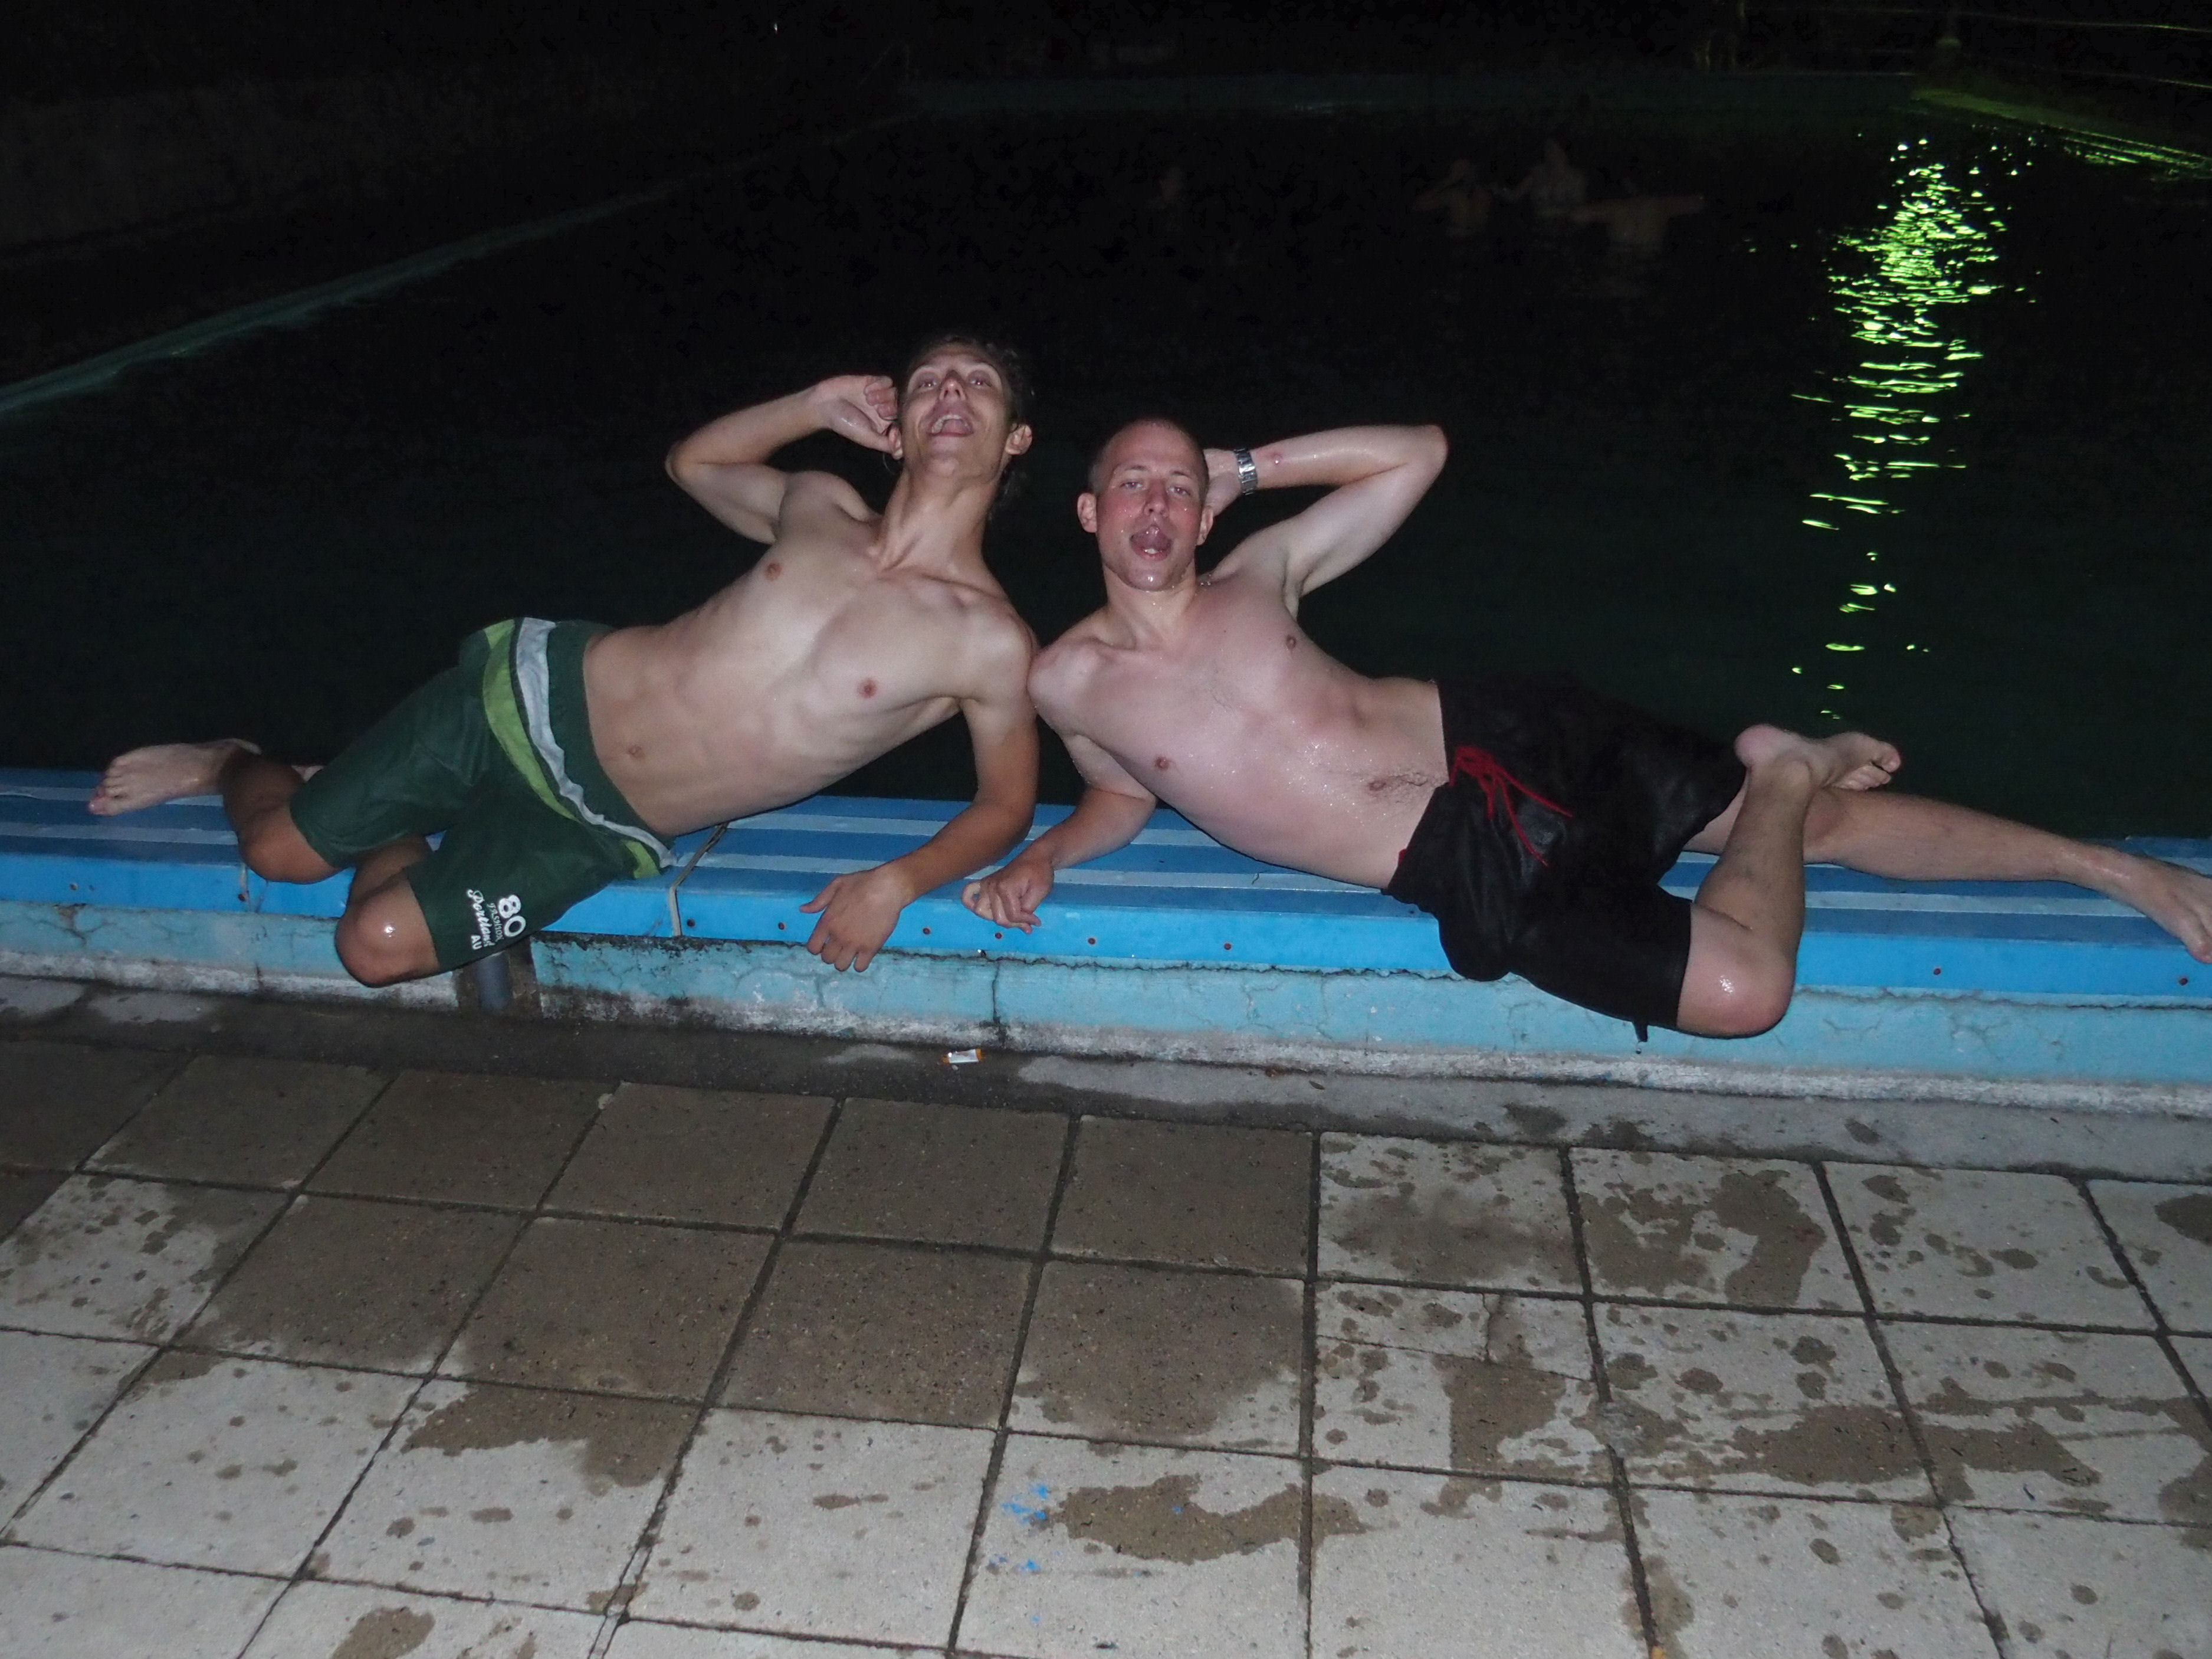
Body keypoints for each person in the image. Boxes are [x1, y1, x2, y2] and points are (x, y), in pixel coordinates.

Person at [962, 417, 2212, 1037]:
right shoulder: (1067, 681)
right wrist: (1043, 856)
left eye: (1180, 485)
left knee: (1833, 827)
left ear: (1204, 514)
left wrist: (1244, 467)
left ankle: (2109, 867)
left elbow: (1417, 454)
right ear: (1088, 512)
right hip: (1465, 866)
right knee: (1747, 988)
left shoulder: (1260, 573)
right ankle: (1782, 768)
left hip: (1512, 736)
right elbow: (1121, 794)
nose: (1158, 503)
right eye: (1133, 483)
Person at [90, 336, 1042, 983]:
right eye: (928, 380)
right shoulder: (821, 504)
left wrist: (895, 881)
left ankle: (377, 799)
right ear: (897, 425)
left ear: (1015, 439)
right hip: (528, 697)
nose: (950, 392)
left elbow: (1004, 804)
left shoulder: (989, 638)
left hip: (595, 826)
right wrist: (809, 404)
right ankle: (230, 759)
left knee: (374, 948)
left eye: (978, 383)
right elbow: (693, 466)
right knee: (277, 851)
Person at [1499, 138, 1587, 219]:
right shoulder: (1537, 173)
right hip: (1538, 223)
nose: (1547, 153)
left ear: (1563, 152)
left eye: (1551, 149)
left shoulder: (1576, 177)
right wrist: (1500, 191)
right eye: (1547, 149)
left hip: (1565, 224)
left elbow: (1579, 207)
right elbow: (1515, 195)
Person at [1413, 158, 1494, 241]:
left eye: (1464, 168)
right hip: (1455, 242)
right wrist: (1449, 180)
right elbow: (1419, 205)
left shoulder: (1485, 194)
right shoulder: (1455, 195)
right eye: (1460, 168)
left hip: (1472, 242)